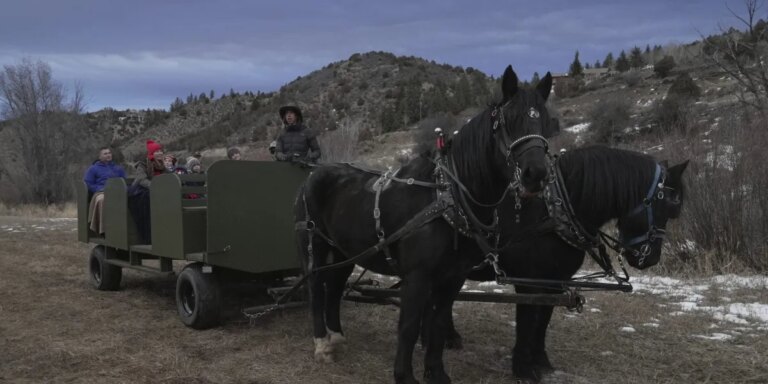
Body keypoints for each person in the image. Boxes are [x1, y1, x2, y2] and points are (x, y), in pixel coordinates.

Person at [128, 140, 168, 243]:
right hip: (141, 191)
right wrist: (155, 187)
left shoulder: (162, 166)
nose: (160, 153)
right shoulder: (143, 164)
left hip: (158, 191)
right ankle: (148, 236)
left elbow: (169, 177)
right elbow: (142, 180)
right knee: (146, 200)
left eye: (160, 151)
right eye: (157, 151)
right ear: (151, 153)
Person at [84, 147, 126, 234]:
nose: (108, 155)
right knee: (102, 200)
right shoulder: (93, 169)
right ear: (100, 157)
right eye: (105, 153)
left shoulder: (118, 168)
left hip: (118, 192)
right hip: (101, 192)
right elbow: (88, 183)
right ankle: (103, 229)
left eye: (109, 153)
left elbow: (124, 181)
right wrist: (100, 189)